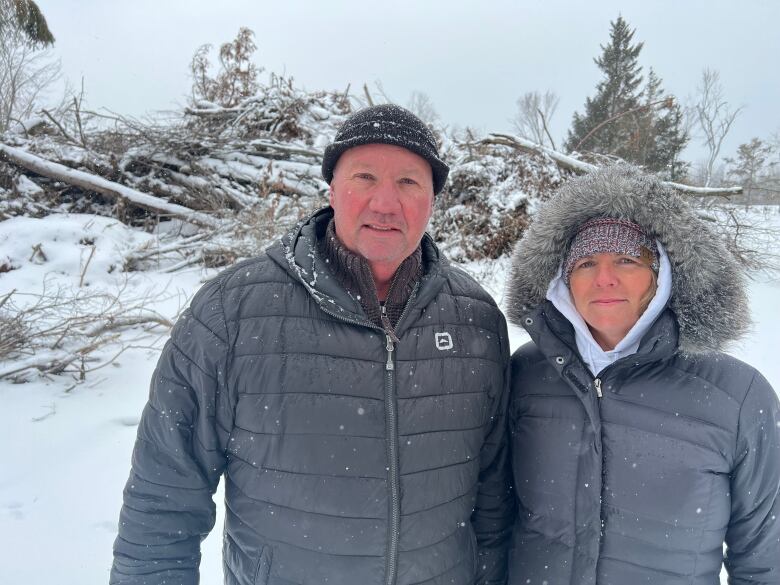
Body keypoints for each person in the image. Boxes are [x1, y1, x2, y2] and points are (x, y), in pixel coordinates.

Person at [110, 104, 513, 585]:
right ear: (331, 190)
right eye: (364, 177)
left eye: (409, 182)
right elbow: (164, 500)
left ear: (432, 200)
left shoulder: (476, 320)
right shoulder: (231, 312)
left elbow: (493, 503)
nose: (385, 203)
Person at [505, 164, 780, 584]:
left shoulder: (737, 395)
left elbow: (764, 557)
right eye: (585, 264)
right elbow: (494, 510)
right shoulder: (526, 373)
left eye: (627, 260)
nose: (604, 279)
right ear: (563, 281)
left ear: (662, 275)